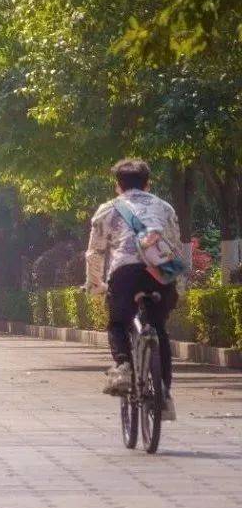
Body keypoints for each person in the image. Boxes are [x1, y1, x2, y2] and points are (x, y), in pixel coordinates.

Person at [85, 158, 180, 420]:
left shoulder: (108, 210)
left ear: (118, 185)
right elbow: (175, 246)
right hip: (159, 275)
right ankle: (164, 395)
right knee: (159, 329)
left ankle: (124, 366)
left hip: (124, 275)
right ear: (148, 183)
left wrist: (96, 285)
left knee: (117, 323)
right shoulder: (164, 208)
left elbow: (95, 253)